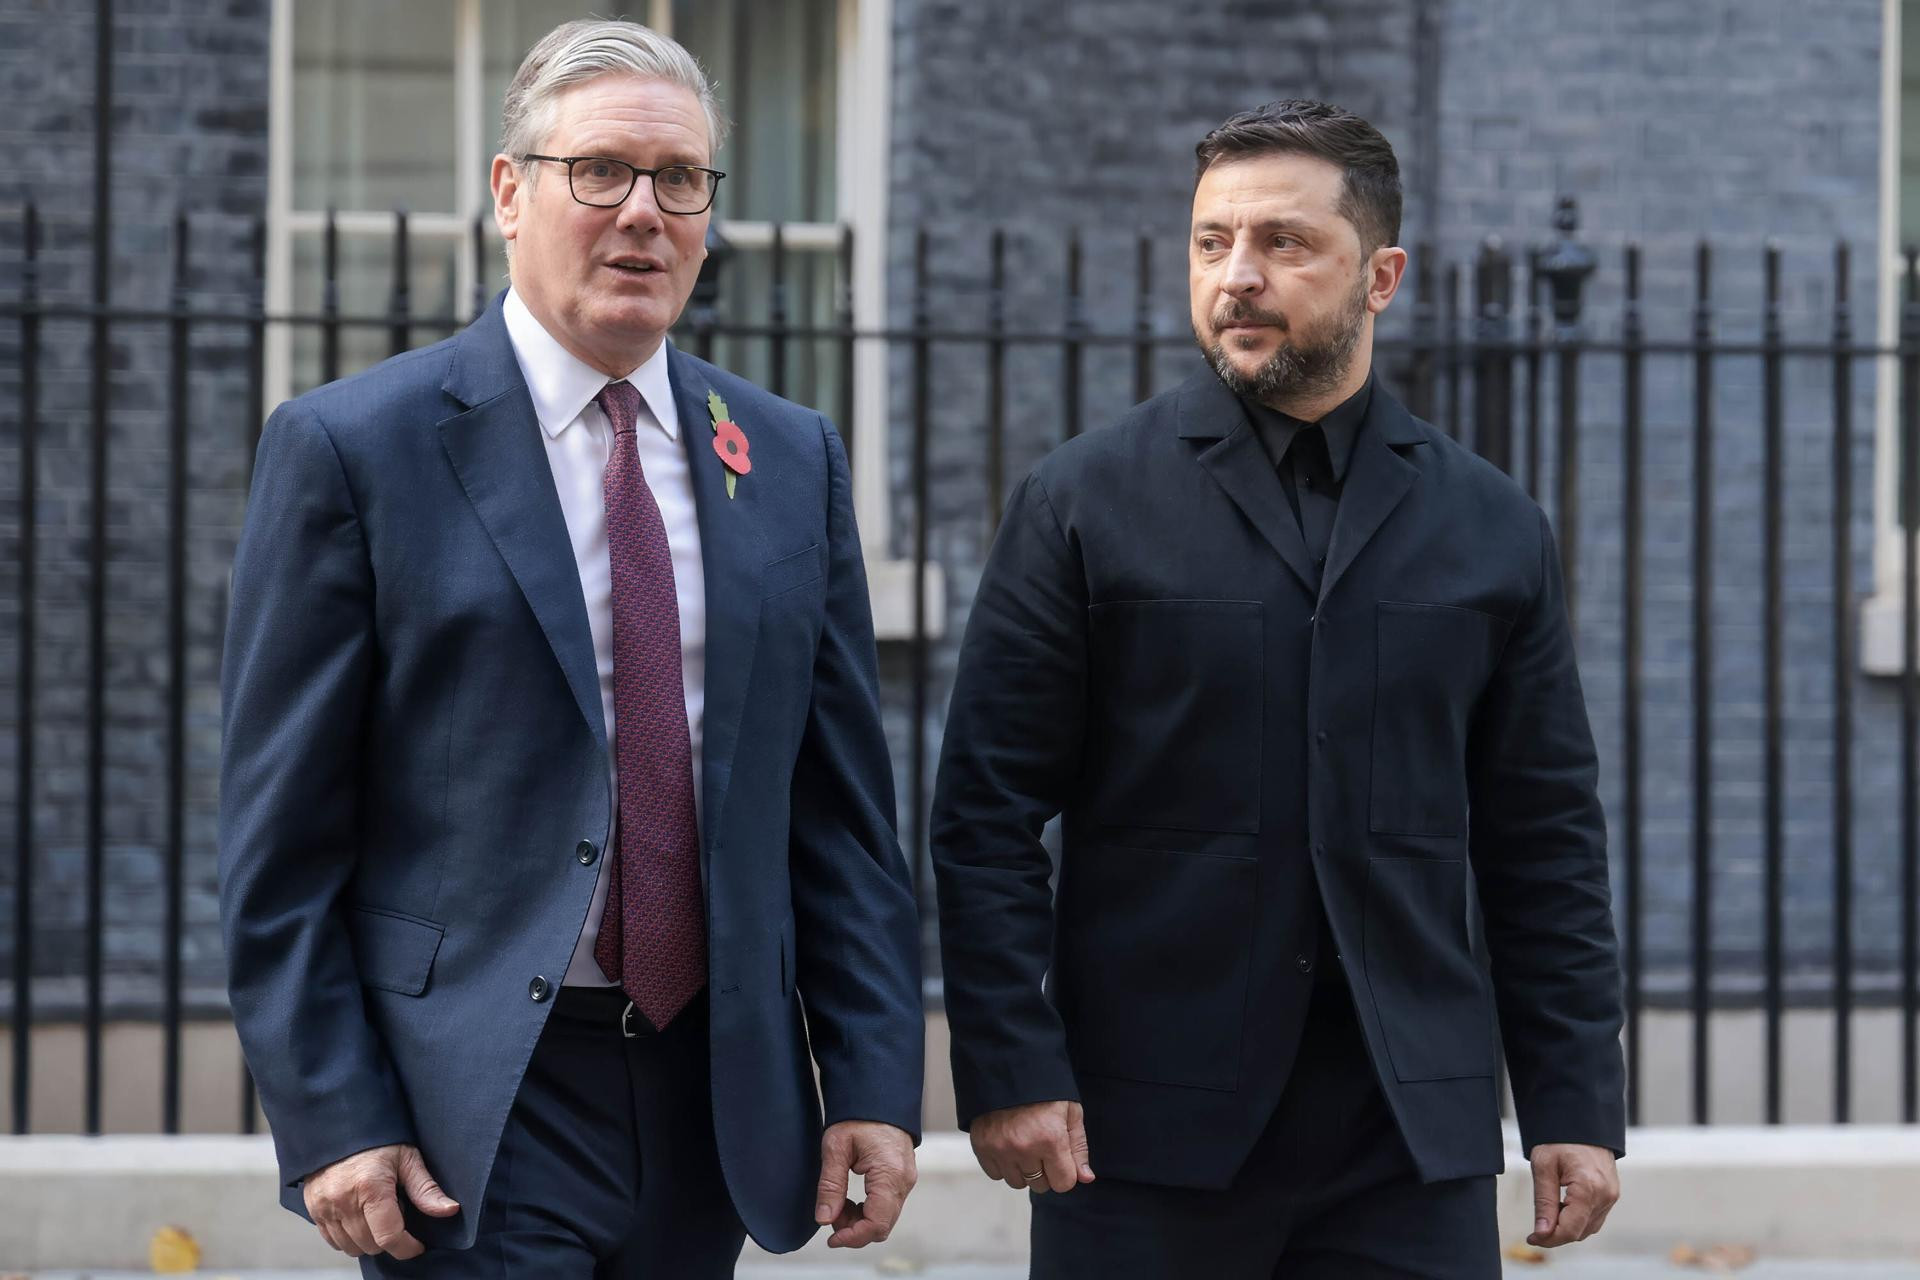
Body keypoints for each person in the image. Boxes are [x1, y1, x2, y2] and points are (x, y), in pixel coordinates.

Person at [218, 19, 922, 1276]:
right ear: (509, 192)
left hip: (711, 1095)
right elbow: (280, 839)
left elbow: (841, 812)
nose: (644, 211)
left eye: (680, 178)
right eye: (601, 170)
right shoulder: (354, 448)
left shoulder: (785, 455)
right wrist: (334, 1112)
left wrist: (871, 1076)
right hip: (472, 1100)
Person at [930, 99, 1625, 1278]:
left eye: (1283, 243)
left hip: (1409, 1143)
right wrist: (1012, 1066)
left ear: (1382, 275)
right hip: (1139, 1134)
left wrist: (1575, 1100)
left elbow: (1544, 834)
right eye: (1213, 242)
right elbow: (984, 814)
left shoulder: (1493, 525)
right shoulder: (1081, 502)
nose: (1237, 276)